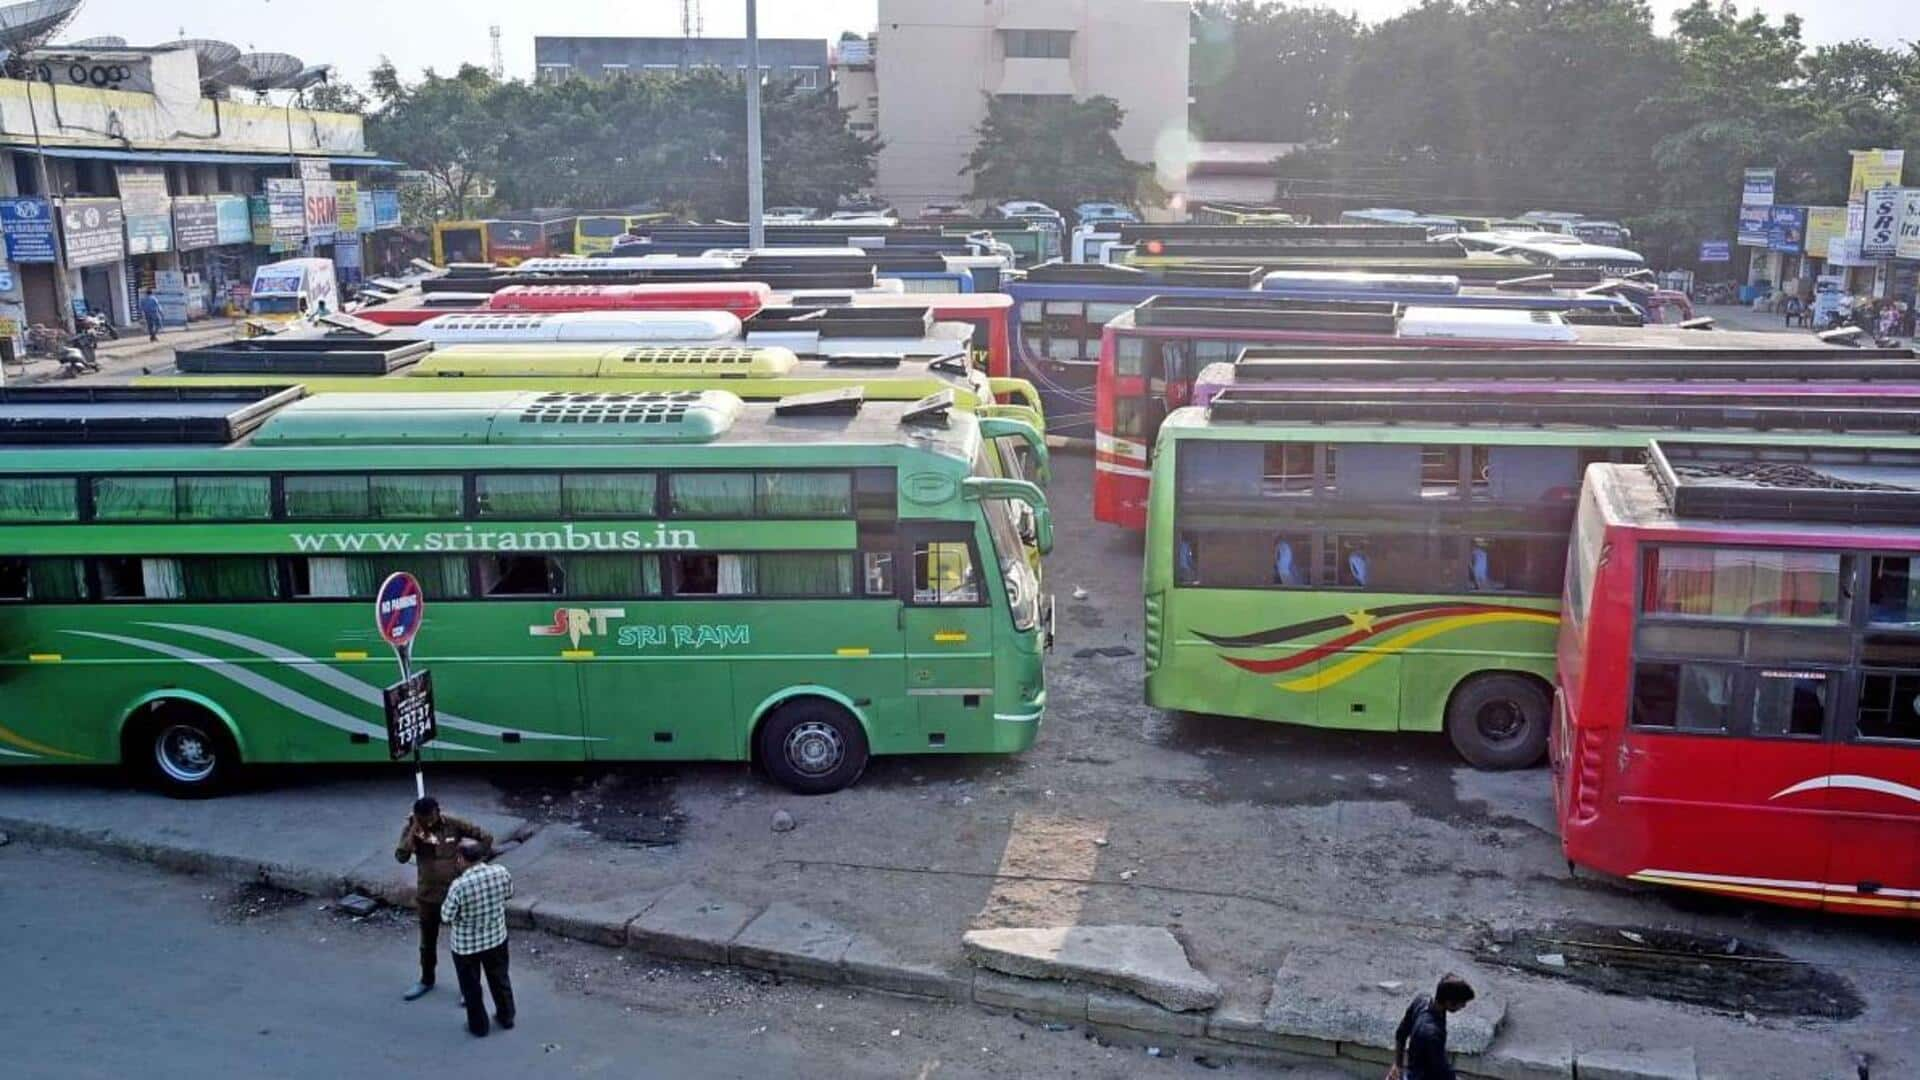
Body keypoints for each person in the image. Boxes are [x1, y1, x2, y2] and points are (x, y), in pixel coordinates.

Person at [394, 796, 492, 1001]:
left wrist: (473, 861)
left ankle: (469, 988)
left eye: (430, 818)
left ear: (438, 812)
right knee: (427, 944)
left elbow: (485, 837)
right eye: (423, 819)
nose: (428, 823)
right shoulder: (416, 828)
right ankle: (426, 980)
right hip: (428, 896)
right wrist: (413, 829)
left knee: (466, 946)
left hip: (455, 895)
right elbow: (401, 856)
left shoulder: (453, 824)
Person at [442, 839, 516, 1037]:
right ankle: (506, 1017)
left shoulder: (459, 886)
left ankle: (479, 1026)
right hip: (497, 937)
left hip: (466, 946)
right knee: (500, 978)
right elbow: (509, 894)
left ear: (461, 859)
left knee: (471, 986)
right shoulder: (501, 872)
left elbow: (446, 916)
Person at [1388, 974, 1476, 1080]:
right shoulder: (1432, 1034)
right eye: (1462, 1003)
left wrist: (1398, 1065)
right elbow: (1441, 1070)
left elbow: (1401, 1033)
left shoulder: (1421, 1001)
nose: (1463, 1006)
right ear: (1449, 1003)